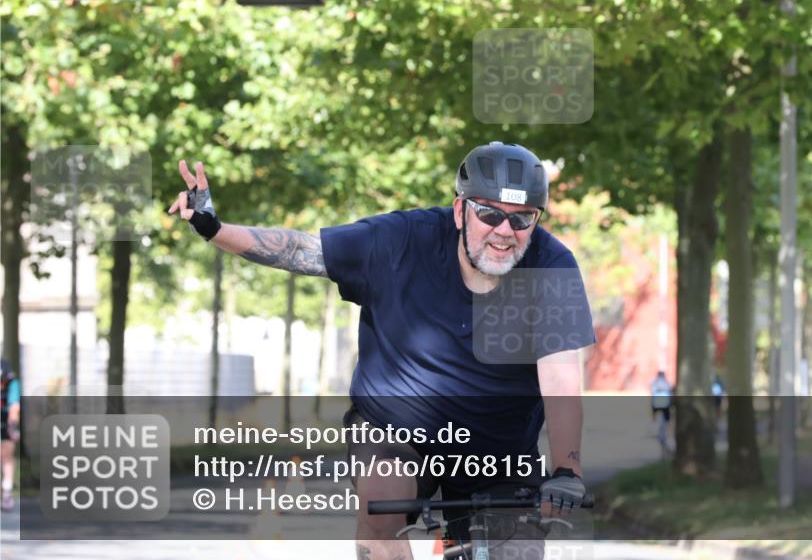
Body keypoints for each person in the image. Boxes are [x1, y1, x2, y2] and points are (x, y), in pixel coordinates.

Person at [169, 142, 595, 560]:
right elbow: (301, 250)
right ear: (460, 210)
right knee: (383, 499)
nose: (505, 231)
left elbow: (559, 375)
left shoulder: (552, 266)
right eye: (489, 213)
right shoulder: (399, 241)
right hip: (395, 430)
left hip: (500, 447)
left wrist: (566, 472)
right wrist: (214, 228)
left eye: (523, 220)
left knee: (515, 552)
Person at [1, 358, 21, 512]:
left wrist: (12, 427)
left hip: (5, 419)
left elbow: (14, 407)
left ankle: (7, 491)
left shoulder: (13, 384)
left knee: (7, 454)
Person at [650, 371, 672, 457]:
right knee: (667, 419)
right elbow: (670, 394)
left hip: (657, 403)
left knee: (655, 412)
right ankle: (665, 431)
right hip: (665, 403)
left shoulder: (655, 382)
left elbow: (653, 393)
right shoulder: (667, 382)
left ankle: (655, 420)